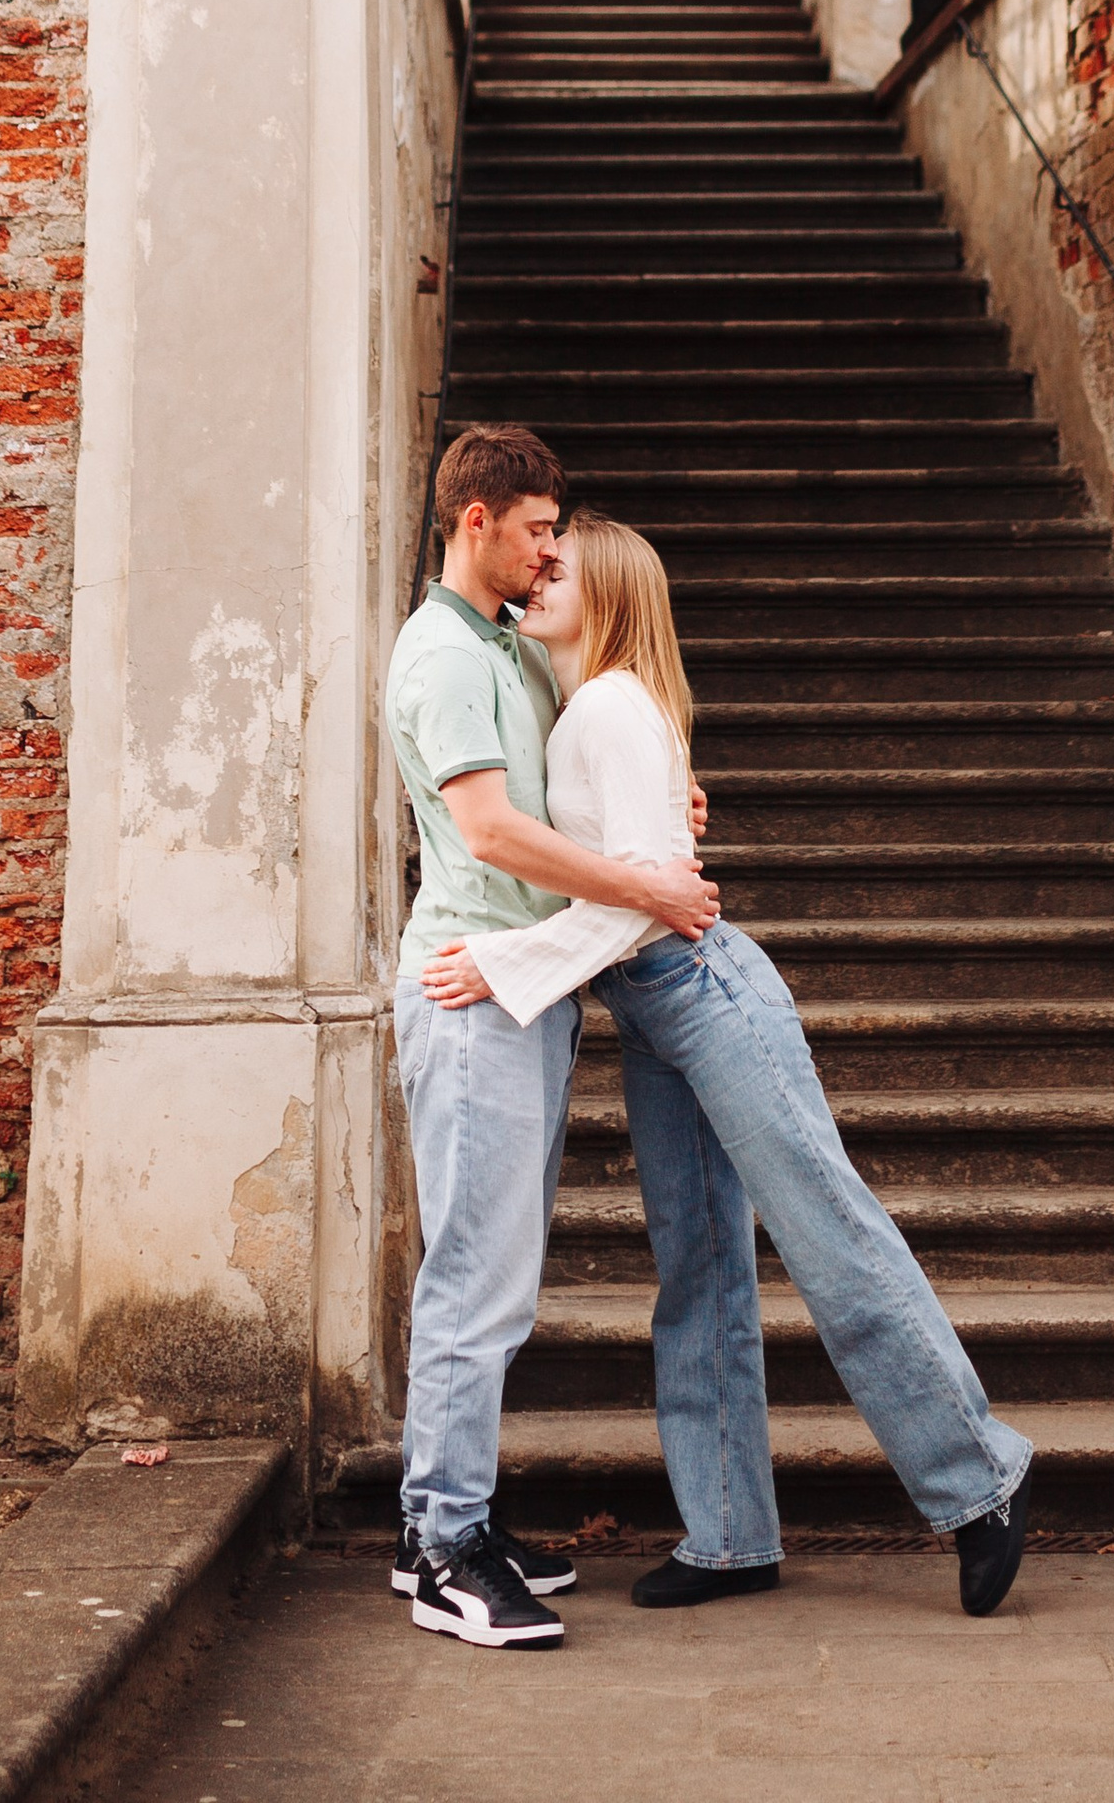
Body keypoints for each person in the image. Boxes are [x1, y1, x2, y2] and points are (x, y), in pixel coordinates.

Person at [422, 508, 1033, 1620]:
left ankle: (979, 1480)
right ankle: (729, 1535)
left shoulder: (606, 706)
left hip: (702, 994)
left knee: (829, 1234)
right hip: (655, 1010)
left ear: (606, 596)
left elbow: (640, 901)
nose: (540, 577)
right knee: (697, 1269)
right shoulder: (580, 709)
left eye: (561, 569)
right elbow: (625, 865)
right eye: (537, 560)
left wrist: (505, 962)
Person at [385, 428, 722, 1648]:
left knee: (496, 1274)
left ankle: (446, 1516)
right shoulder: (444, 656)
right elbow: (491, 833)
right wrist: (649, 892)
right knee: (477, 1280)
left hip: (519, 990)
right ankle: (442, 1551)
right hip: (472, 990)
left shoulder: (502, 648)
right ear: (475, 521)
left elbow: (561, 790)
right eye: (535, 529)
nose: (547, 552)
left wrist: (662, 805)